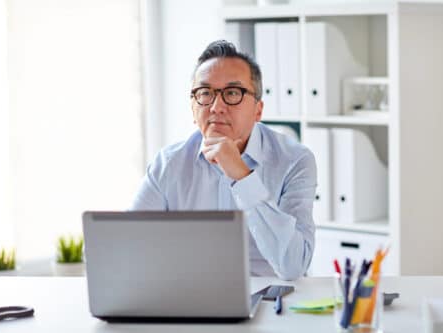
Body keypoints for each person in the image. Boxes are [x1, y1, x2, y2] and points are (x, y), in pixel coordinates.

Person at [131, 40, 317, 280]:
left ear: (258, 110)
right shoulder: (168, 164)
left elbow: (293, 266)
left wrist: (242, 176)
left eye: (232, 93)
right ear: (192, 106)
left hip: (271, 301)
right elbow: (131, 245)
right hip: (191, 298)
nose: (216, 107)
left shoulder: (295, 160)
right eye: (205, 93)